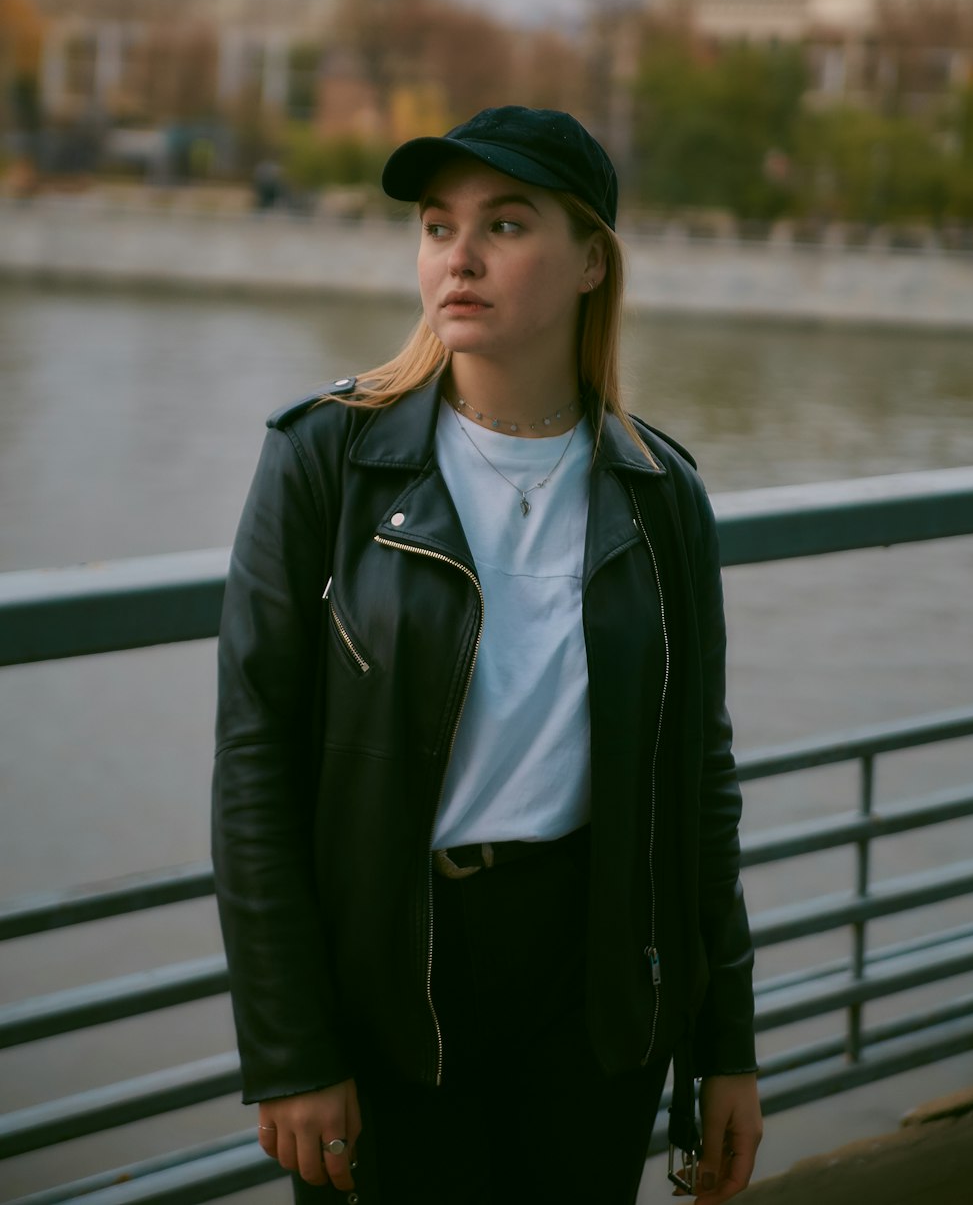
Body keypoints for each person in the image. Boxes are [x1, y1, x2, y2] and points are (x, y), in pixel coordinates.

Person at [212, 106, 761, 1205]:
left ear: (593, 259)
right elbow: (254, 771)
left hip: (597, 993)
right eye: (435, 226)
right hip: (391, 984)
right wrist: (291, 1051)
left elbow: (695, 782)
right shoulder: (328, 460)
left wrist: (725, 1047)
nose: (457, 257)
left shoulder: (662, 495)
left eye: (504, 225)